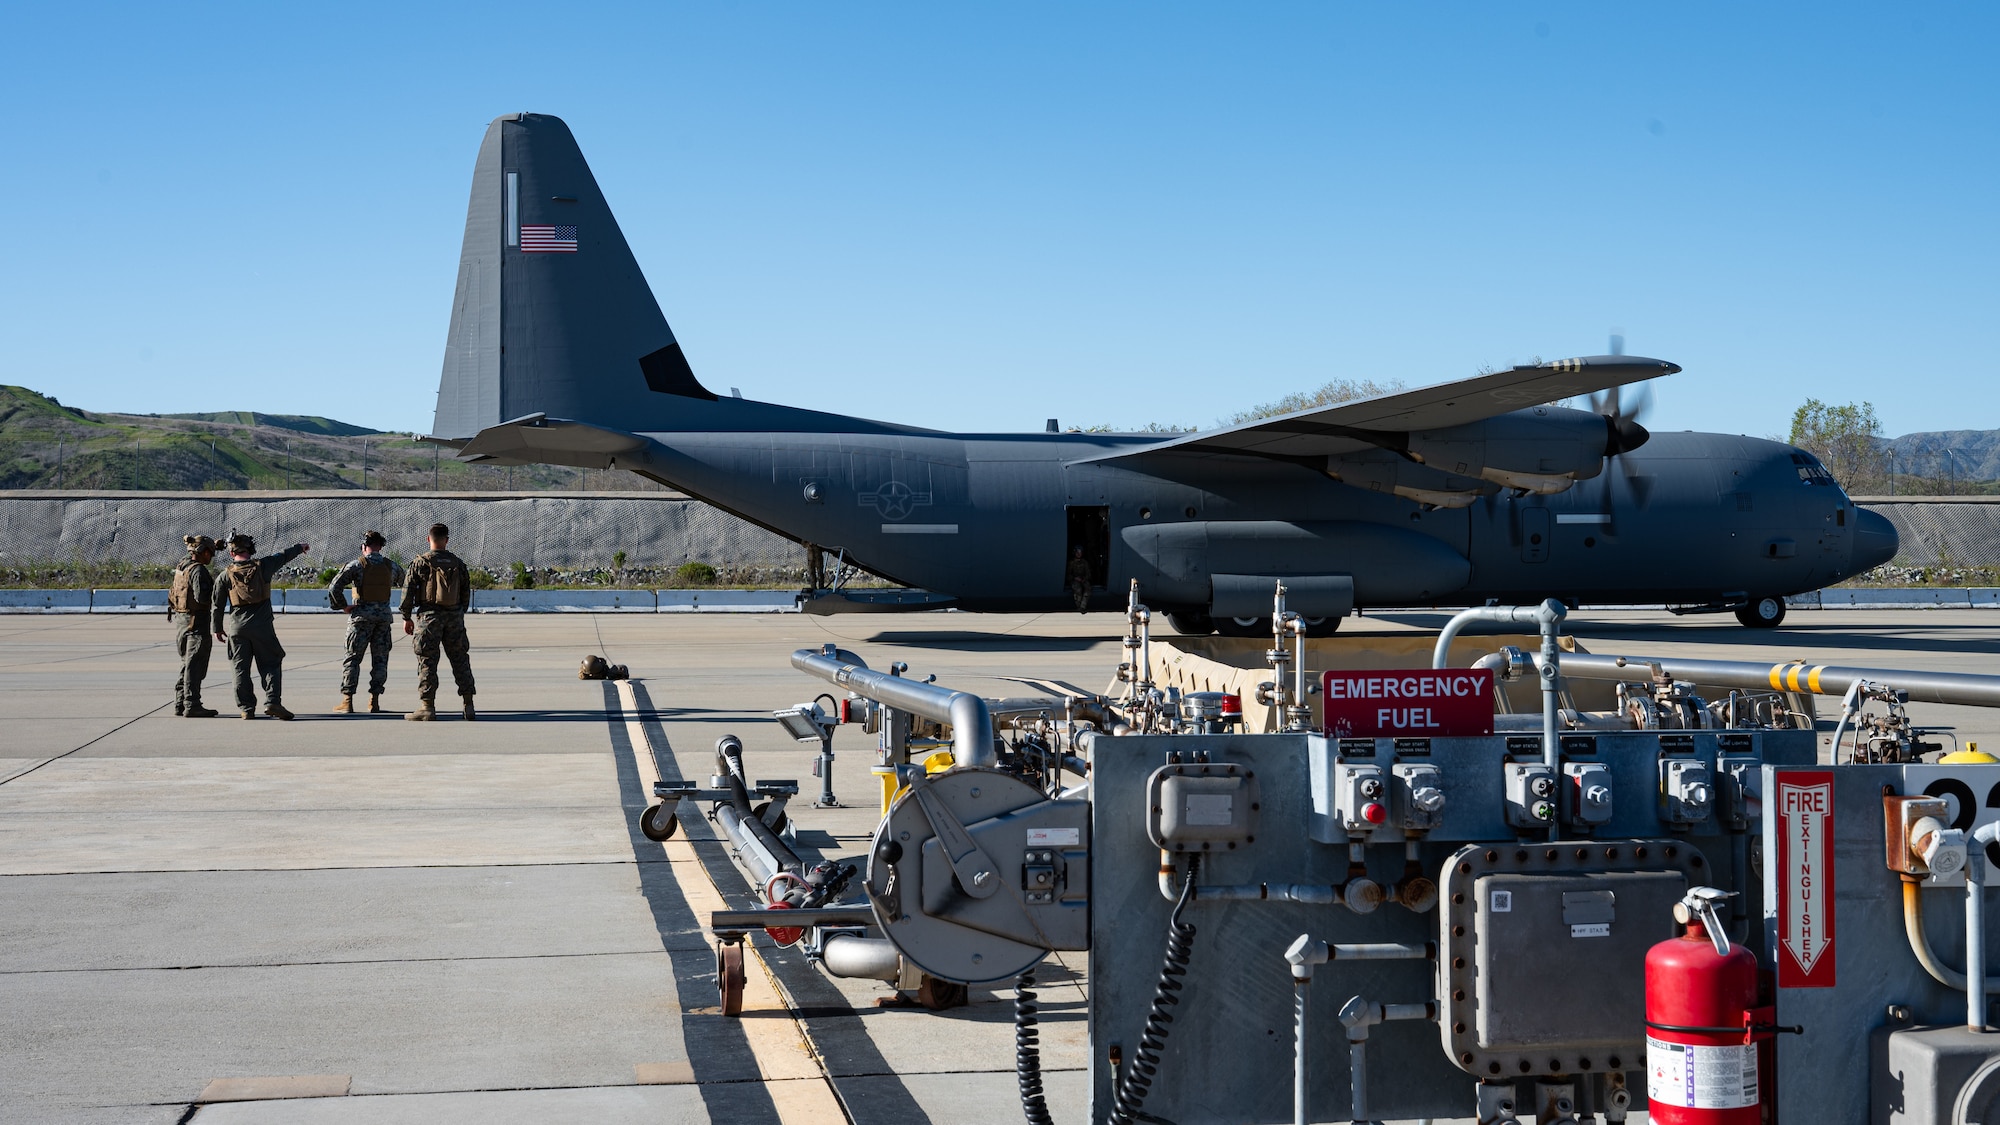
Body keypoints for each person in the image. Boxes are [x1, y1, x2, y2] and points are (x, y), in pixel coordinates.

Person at [211, 532, 309, 720]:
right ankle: (272, 701)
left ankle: (246, 709)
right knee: (271, 663)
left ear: (232, 553)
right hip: (263, 627)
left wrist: (217, 628)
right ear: (250, 549)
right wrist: (300, 547)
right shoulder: (264, 566)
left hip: (237, 629)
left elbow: (217, 604)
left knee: (240, 668)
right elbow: (283, 556)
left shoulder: (225, 575)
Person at [402, 523, 475, 721]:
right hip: (454, 618)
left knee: (427, 661)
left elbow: (407, 592)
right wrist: (458, 614)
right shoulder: (458, 564)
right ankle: (468, 704)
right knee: (460, 660)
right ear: (447, 540)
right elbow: (466, 593)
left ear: (429, 539)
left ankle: (427, 706)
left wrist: (406, 617)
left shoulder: (420, 563)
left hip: (429, 618)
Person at [328, 530, 405, 714]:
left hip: (360, 619)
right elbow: (406, 584)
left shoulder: (356, 565)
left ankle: (347, 701)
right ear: (381, 546)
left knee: (352, 659)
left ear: (364, 547)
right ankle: (374, 701)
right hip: (383, 620)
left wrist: (343, 606)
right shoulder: (391, 566)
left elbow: (334, 587)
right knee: (380, 660)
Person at [169, 534, 219, 717]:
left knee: (187, 663)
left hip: (182, 623)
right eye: (210, 553)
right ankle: (192, 704)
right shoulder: (198, 571)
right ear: (203, 552)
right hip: (196, 624)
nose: (211, 557)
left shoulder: (182, 565)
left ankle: (180, 702)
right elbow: (202, 598)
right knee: (195, 665)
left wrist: (212, 545)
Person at [1066, 547, 1094, 614]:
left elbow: (1088, 573)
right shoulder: (1071, 563)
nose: (1079, 554)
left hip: (1083, 579)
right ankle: (1079, 606)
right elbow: (1068, 574)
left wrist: (1084, 579)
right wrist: (1075, 578)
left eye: (1080, 552)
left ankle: (1082, 607)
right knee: (1078, 589)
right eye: (1077, 552)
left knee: (1088, 588)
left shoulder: (1084, 562)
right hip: (1074, 580)